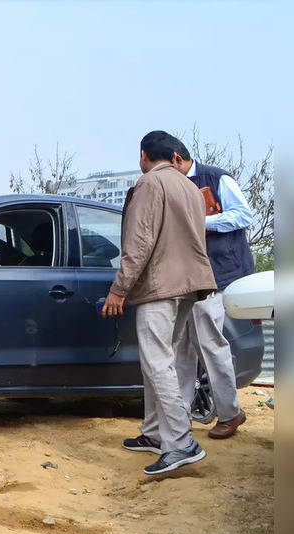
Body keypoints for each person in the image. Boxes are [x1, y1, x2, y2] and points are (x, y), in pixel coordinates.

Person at [102, 131, 218, 475]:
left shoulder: (150, 184)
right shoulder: (190, 188)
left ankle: (182, 443)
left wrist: (119, 288)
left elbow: (139, 242)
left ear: (144, 155)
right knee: (162, 361)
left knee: (157, 363)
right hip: (190, 285)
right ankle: (155, 433)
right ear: (174, 156)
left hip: (160, 285)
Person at [169, 142, 256, 439]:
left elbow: (244, 215)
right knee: (182, 348)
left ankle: (231, 413)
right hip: (184, 277)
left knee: (209, 342)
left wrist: (204, 222)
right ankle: (178, 417)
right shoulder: (174, 186)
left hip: (216, 276)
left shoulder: (217, 179)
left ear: (177, 159)